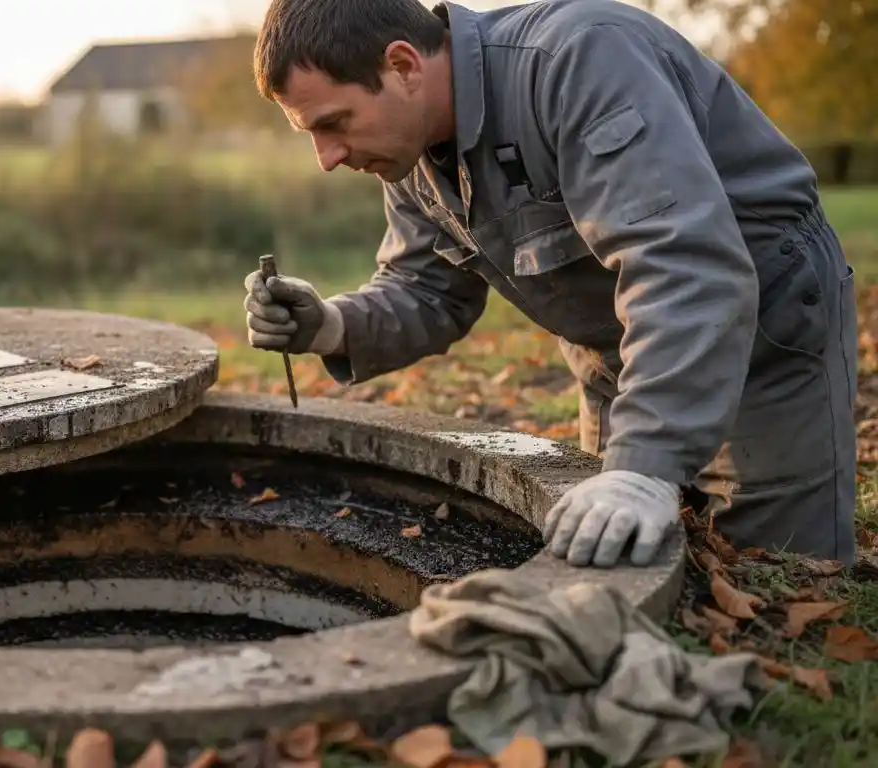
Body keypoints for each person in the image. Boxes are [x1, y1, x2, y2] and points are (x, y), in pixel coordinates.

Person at [243, 0, 859, 568]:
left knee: (774, 569)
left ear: (402, 65)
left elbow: (682, 265)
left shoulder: (579, 62)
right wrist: (332, 325)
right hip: (618, 356)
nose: (325, 157)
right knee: (608, 556)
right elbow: (425, 288)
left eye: (333, 123)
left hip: (764, 336)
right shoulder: (408, 152)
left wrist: (644, 465)